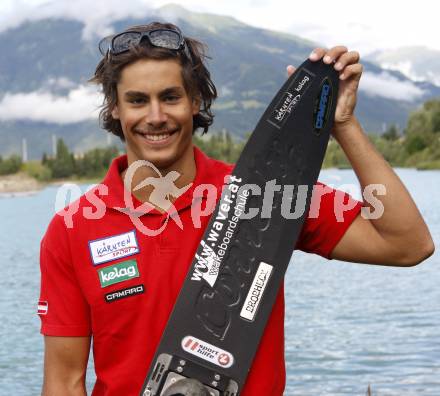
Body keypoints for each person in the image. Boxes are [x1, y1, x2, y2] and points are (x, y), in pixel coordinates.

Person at [38, 21, 434, 396]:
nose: (155, 117)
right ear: (115, 110)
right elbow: (64, 383)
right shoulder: (72, 229)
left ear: (195, 101)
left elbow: (407, 244)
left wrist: (342, 123)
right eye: (138, 101)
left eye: (170, 97)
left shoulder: (264, 193)